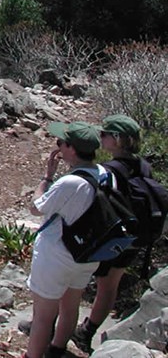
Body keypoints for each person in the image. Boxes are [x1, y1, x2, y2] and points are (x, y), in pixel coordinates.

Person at [26, 121, 105, 358]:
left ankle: (32, 355)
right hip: (87, 254)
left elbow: (36, 208)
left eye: (61, 142)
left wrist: (47, 177)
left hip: (57, 256)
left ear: (71, 148)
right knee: (71, 305)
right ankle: (58, 349)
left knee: (43, 315)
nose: (58, 146)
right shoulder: (105, 174)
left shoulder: (70, 182)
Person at [72, 114, 148, 353]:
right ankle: (87, 331)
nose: (101, 138)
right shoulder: (144, 165)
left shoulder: (109, 170)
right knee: (109, 286)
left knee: (72, 282)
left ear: (116, 139)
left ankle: (53, 328)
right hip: (134, 236)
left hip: (109, 235)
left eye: (104, 135)